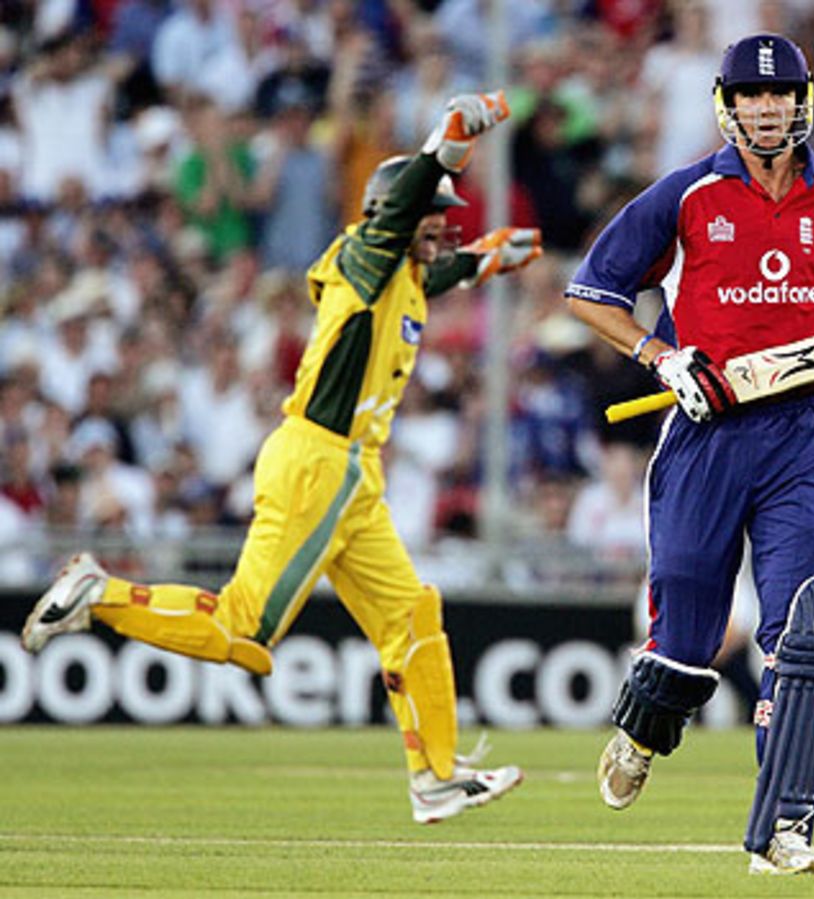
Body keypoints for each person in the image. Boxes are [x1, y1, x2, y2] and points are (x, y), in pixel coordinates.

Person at [21, 92, 543, 824]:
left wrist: (490, 258)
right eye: (434, 211)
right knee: (244, 631)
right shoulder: (369, 253)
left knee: (410, 613)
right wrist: (451, 136)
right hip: (318, 464)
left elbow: (441, 271)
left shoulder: (403, 276)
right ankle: (99, 591)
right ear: (392, 211)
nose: (443, 222)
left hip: (349, 475)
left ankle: (435, 776)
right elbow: (408, 213)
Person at [565, 34, 814, 875]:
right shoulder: (688, 193)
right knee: (687, 639)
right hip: (704, 435)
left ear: (803, 99)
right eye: (749, 96)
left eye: (780, 95)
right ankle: (642, 727)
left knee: (808, 631)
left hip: (798, 436)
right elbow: (592, 292)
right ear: (728, 106)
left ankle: (786, 826)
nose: (767, 109)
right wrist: (663, 357)